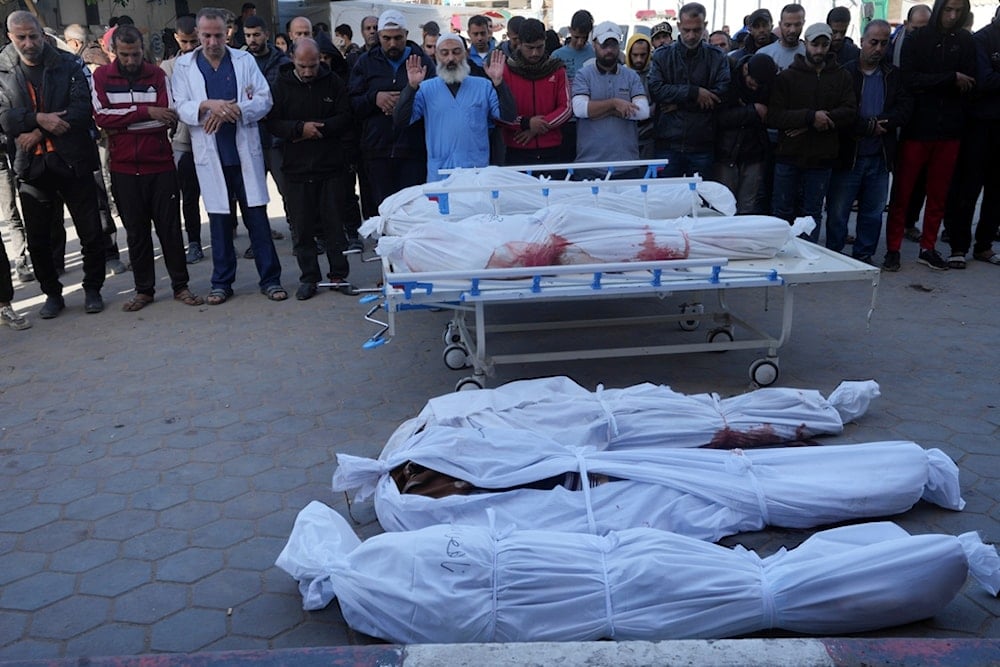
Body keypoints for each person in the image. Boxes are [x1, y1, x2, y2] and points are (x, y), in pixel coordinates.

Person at [172, 7, 286, 304]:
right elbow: (181, 106)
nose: (212, 41)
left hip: (243, 155)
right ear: (198, 34)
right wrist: (209, 105)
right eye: (206, 35)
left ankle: (271, 279)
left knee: (257, 220)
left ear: (228, 33)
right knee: (220, 222)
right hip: (211, 156)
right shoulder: (184, 66)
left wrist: (235, 110)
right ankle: (222, 282)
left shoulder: (244, 60)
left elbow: (264, 99)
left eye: (218, 35)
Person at [0, 11, 106, 318]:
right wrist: (38, 119)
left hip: (73, 158)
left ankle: (93, 288)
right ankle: (52, 294)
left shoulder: (68, 63)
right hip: (31, 165)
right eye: (21, 37)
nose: (29, 43)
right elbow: (4, 117)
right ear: (11, 37)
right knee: (39, 238)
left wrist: (37, 128)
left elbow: (81, 108)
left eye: (33, 35)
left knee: (90, 230)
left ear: (43, 34)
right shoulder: (3, 69)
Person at [91, 25, 204, 311]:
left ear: (144, 50)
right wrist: (145, 111)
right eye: (125, 55)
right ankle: (144, 290)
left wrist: (124, 125)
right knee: (136, 232)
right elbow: (101, 118)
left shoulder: (157, 76)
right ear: (113, 52)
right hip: (124, 169)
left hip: (161, 166)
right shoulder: (101, 76)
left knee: (170, 230)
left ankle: (181, 286)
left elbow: (167, 117)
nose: (131, 60)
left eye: (136, 54)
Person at [882, 0, 976, 271]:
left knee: (938, 194)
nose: (952, 16)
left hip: (950, 130)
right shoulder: (917, 40)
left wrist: (940, 81)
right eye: (948, 9)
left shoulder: (964, 41)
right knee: (902, 193)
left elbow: (970, 81)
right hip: (917, 129)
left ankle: (928, 247)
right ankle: (893, 248)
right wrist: (948, 78)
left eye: (958, 11)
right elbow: (910, 80)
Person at [268, 38, 356, 300]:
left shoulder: (333, 82)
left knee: (333, 226)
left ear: (321, 60)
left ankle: (339, 275)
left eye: (313, 66)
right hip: (296, 167)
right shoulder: (281, 85)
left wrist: (319, 129)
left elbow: (346, 116)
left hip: (330, 166)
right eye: (303, 66)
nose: (308, 72)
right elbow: (272, 122)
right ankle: (309, 278)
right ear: (292, 59)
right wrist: (298, 129)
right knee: (302, 227)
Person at [825, 20, 911, 263]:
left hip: (880, 156)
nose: (878, 48)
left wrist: (881, 123)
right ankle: (834, 254)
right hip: (849, 154)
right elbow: (838, 111)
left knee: (872, 213)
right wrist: (865, 126)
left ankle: (864, 255)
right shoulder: (845, 73)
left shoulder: (893, 75)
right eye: (873, 42)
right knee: (839, 212)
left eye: (884, 43)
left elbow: (904, 109)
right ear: (862, 41)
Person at [767, 23, 856, 243]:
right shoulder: (787, 77)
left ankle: (808, 256)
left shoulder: (841, 76)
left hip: (821, 158)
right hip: (789, 155)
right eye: (815, 44)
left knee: (812, 212)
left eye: (824, 44)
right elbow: (775, 116)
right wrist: (809, 117)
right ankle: (780, 254)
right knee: (782, 211)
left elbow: (850, 111)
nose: (819, 50)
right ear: (805, 43)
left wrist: (822, 120)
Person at [396, 33, 513, 180]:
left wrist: (499, 83)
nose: (451, 58)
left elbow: (508, 116)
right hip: (440, 174)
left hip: (476, 172)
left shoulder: (483, 86)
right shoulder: (426, 89)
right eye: (444, 53)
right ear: (437, 56)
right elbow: (401, 120)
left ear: (466, 53)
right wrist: (411, 87)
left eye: (456, 52)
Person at [348, 10, 435, 206]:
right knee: (382, 209)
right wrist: (374, 98)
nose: (392, 43)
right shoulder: (365, 62)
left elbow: (434, 101)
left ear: (406, 35)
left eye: (398, 38)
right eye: (386, 38)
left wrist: (407, 101)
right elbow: (352, 103)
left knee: (413, 209)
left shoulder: (422, 61)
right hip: (377, 150)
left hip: (413, 149)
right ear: (379, 36)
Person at [942, 5, 1000, 267]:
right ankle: (958, 246)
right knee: (968, 188)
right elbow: (984, 79)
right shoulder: (983, 39)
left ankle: (984, 245)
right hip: (979, 125)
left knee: (996, 192)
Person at [647, 2, 731, 178]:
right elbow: (656, 90)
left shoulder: (716, 57)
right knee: (667, 200)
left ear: (705, 26)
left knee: (700, 200)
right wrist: (694, 92)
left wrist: (679, 104)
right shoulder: (662, 56)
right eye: (686, 30)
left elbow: (721, 94)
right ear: (678, 26)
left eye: (697, 30)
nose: (691, 35)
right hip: (668, 143)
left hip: (702, 144)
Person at [571, 22, 649, 177]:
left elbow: (643, 112)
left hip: (627, 165)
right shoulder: (583, 74)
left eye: (613, 45)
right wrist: (615, 104)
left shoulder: (631, 75)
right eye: (604, 45)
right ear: (594, 45)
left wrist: (597, 110)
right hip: (589, 165)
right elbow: (580, 109)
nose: (609, 50)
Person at [497, 18, 571, 172]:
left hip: (552, 149)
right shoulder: (505, 71)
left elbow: (566, 108)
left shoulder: (557, 69)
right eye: (529, 48)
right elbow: (499, 111)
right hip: (517, 149)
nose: (535, 53)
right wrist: (526, 123)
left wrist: (536, 127)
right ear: (519, 43)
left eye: (539, 47)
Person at [243, 15, 289, 255]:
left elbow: (280, 98)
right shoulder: (239, 61)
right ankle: (258, 240)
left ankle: (301, 236)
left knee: (287, 190)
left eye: (256, 35)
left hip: (276, 138)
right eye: (248, 35)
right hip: (249, 137)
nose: (252, 40)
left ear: (266, 35)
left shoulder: (281, 61)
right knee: (254, 194)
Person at [161, 15, 204, 264]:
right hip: (183, 142)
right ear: (177, 38)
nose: (189, 47)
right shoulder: (167, 68)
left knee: (226, 192)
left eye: (193, 41)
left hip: (210, 139)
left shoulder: (208, 63)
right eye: (185, 41)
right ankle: (195, 242)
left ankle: (228, 233)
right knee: (188, 195)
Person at [714, 53, 777, 214]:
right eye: (753, 82)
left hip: (754, 151)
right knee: (724, 207)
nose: (755, 87)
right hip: (727, 151)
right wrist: (752, 110)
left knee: (747, 207)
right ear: (745, 69)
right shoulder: (727, 78)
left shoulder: (767, 85)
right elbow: (719, 117)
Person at [890, 4, 932, 243]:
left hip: (921, 122)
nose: (920, 33)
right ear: (906, 25)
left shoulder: (933, 47)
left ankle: (909, 222)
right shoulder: (892, 45)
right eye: (916, 28)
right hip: (895, 117)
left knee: (919, 179)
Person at [625, 32, 656, 158]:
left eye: (643, 55)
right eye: (635, 55)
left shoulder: (655, 73)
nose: (639, 60)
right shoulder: (621, 74)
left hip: (650, 135)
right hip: (626, 135)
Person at [758, 4, 806, 70]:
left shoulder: (810, 54)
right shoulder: (764, 54)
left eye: (797, 25)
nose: (792, 30)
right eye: (787, 25)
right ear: (780, 24)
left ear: (803, 23)